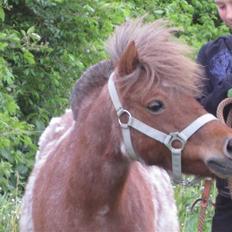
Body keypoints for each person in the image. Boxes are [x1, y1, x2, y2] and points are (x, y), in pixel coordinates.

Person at [197, 0, 232, 231]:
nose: (229, 15)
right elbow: (195, 112)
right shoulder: (211, 53)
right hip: (228, 192)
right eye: (221, 6)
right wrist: (226, 89)